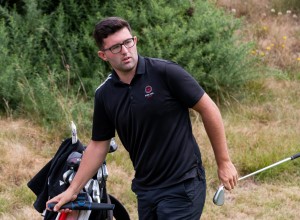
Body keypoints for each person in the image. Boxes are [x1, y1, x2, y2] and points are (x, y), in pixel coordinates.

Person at [46, 16, 238, 219]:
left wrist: (224, 162)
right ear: (103, 55)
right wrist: (72, 190)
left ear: (135, 41)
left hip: (184, 184)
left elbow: (209, 109)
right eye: (116, 47)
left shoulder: (165, 72)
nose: (125, 51)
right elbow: (98, 145)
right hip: (146, 189)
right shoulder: (105, 94)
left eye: (128, 42)